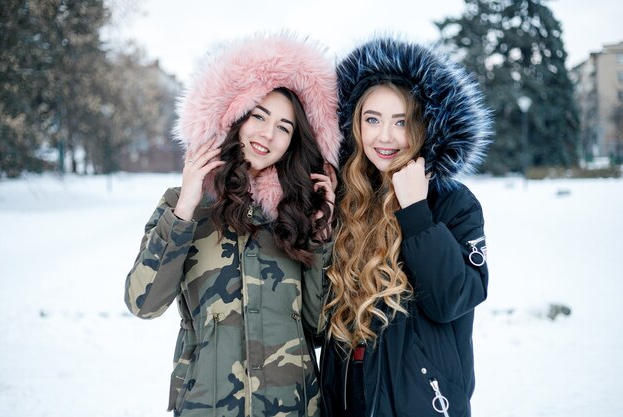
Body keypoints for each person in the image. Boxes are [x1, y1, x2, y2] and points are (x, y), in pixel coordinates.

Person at [124, 33, 342, 417]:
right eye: (259, 116)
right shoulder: (186, 208)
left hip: (292, 407)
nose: (267, 134)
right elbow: (143, 303)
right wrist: (186, 207)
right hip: (207, 406)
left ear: (295, 141)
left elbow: (320, 327)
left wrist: (323, 234)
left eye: (284, 127)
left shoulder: (298, 213)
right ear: (235, 116)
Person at [319, 37, 493, 417]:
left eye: (402, 121)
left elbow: (452, 300)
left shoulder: (452, 203)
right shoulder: (345, 198)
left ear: (425, 126)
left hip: (424, 402)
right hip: (348, 399)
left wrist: (415, 211)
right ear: (354, 124)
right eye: (372, 119)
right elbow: (316, 323)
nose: (385, 136)